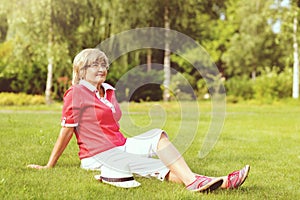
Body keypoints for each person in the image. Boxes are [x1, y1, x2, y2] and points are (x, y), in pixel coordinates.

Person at [27, 48, 250, 192]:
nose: (101, 69)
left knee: (159, 139)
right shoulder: (76, 93)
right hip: (97, 156)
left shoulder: (109, 91)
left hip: (120, 145)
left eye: (103, 64)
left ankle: (206, 182)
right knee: (161, 162)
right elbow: (66, 130)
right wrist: (49, 165)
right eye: (94, 65)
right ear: (81, 70)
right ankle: (217, 182)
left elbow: (111, 125)